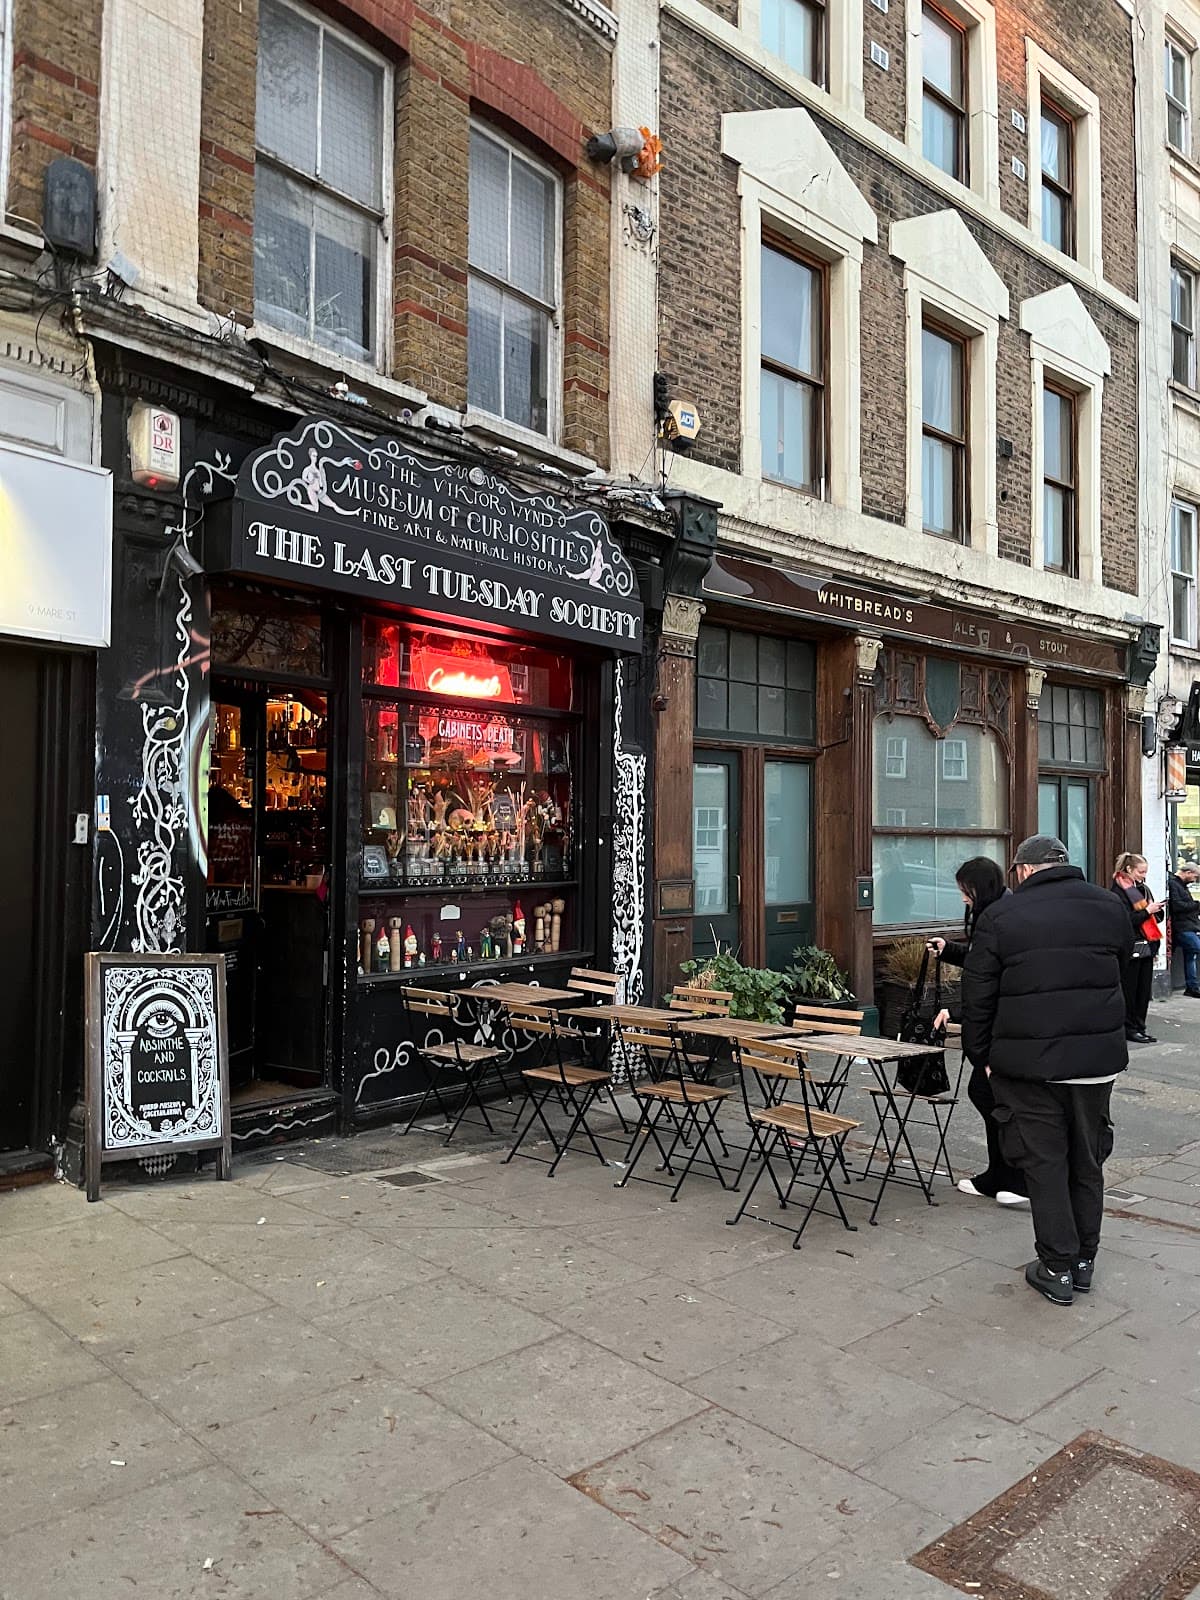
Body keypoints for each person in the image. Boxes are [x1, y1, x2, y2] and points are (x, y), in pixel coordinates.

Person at [961, 833, 1133, 1307]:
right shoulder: (1108, 905)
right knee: (1087, 1160)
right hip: (1095, 1064)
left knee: (1045, 1163)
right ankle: (1084, 1262)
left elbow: (977, 996)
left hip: (1028, 1066)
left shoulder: (1001, 916)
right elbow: (1120, 969)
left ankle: (1056, 1265)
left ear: (1023, 869)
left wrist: (982, 1056)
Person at [927, 857, 1026, 1206]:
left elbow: (986, 979)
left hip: (999, 1026)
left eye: (965, 891)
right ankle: (1006, 1175)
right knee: (992, 1096)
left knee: (991, 1095)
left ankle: (1012, 1178)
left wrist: (977, 1046)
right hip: (1009, 1022)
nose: (962, 898)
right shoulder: (1007, 908)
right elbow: (986, 962)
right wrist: (950, 950)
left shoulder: (992, 918)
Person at [1110, 851, 1164, 1042]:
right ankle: (1130, 1027)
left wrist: (1156, 910)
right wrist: (1147, 911)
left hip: (1147, 945)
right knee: (1130, 990)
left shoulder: (1142, 889)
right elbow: (1124, 920)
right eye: (1141, 872)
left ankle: (1139, 1026)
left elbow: (1152, 917)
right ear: (1129, 869)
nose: (1144, 875)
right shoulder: (1117, 892)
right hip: (1131, 947)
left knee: (1143, 991)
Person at [1167, 861, 1200, 998]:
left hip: (1188, 925)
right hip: (1183, 927)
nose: (1195, 880)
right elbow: (1177, 906)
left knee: (1191, 954)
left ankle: (1192, 986)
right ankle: (1192, 986)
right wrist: (1196, 905)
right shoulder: (1175, 885)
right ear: (1188, 873)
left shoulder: (1181, 885)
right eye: (1195, 876)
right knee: (1195, 948)